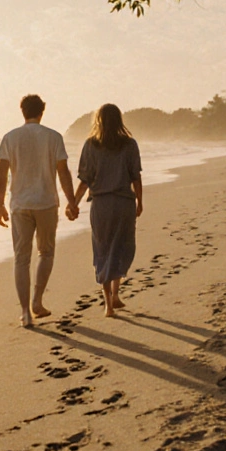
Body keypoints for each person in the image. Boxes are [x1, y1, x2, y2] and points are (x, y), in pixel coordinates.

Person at [0, 94, 77, 328]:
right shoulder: (53, 137)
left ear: (22, 112)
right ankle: (37, 301)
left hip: (20, 205)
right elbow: (63, 172)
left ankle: (25, 312)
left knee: (21, 259)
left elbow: (1, 173)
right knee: (46, 253)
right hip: (46, 203)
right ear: (42, 112)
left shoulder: (10, 138)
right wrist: (71, 201)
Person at [66, 104, 142, 318]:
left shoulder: (91, 145)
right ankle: (116, 294)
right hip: (124, 204)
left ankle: (108, 304)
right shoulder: (130, 144)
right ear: (119, 120)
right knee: (122, 247)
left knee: (103, 249)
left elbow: (85, 180)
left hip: (101, 205)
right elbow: (135, 175)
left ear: (98, 120)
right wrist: (140, 201)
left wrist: (74, 203)